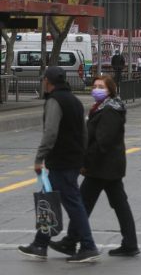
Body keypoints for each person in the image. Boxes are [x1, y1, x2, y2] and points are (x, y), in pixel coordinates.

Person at [49, 75, 140, 258]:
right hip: (107, 166)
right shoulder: (101, 108)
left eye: (102, 87)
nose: (96, 89)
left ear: (110, 91)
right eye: (95, 85)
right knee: (116, 204)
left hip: (103, 166)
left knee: (84, 203)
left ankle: (72, 241)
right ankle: (129, 243)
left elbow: (102, 141)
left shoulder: (109, 111)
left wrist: (86, 163)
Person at [18, 67, 100, 263]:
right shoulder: (75, 101)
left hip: (61, 160)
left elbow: (51, 132)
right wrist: (83, 157)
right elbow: (84, 133)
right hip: (72, 159)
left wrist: (40, 157)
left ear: (49, 81)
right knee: (51, 201)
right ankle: (40, 243)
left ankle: (88, 245)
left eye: (44, 80)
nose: (43, 83)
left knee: (72, 203)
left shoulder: (55, 101)